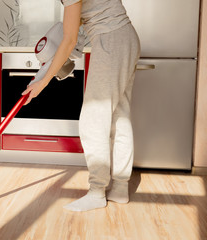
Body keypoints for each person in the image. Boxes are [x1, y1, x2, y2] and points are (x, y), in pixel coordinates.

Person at [22, 0, 141, 211]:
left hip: (110, 40)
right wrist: (54, 63)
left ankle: (97, 192)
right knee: (119, 117)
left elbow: (69, 40)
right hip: (125, 37)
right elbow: (75, 29)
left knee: (93, 120)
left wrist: (43, 82)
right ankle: (120, 189)